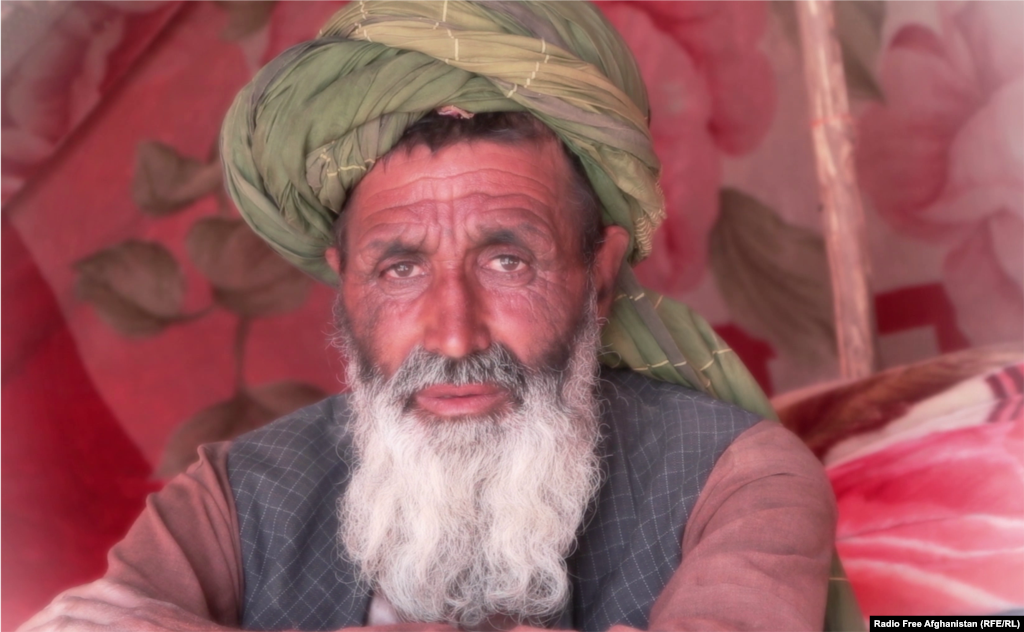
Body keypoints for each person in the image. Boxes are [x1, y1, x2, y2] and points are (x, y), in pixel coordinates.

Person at [20, 1, 837, 631]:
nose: (454, 334)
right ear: (345, 285)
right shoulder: (233, 500)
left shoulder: (740, 479)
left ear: (599, 273)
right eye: (401, 268)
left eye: (506, 261)